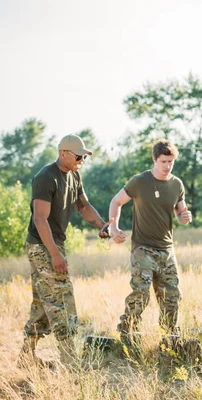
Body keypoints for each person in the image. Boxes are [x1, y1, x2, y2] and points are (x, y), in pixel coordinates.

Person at [18, 134, 111, 367]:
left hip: (53, 243)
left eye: (84, 156)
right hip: (42, 244)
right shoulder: (46, 178)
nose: (82, 159)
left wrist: (102, 226)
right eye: (78, 155)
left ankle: (26, 357)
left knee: (43, 301)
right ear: (63, 154)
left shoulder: (75, 175)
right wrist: (55, 253)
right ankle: (70, 362)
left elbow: (84, 206)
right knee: (61, 297)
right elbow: (40, 219)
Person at [109, 139, 191, 341]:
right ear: (155, 159)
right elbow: (116, 201)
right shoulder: (140, 181)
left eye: (171, 161)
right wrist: (114, 228)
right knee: (141, 293)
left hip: (167, 249)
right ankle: (127, 333)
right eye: (163, 161)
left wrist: (184, 218)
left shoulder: (177, 184)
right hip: (143, 248)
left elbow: (181, 214)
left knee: (172, 296)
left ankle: (169, 337)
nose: (167, 166)